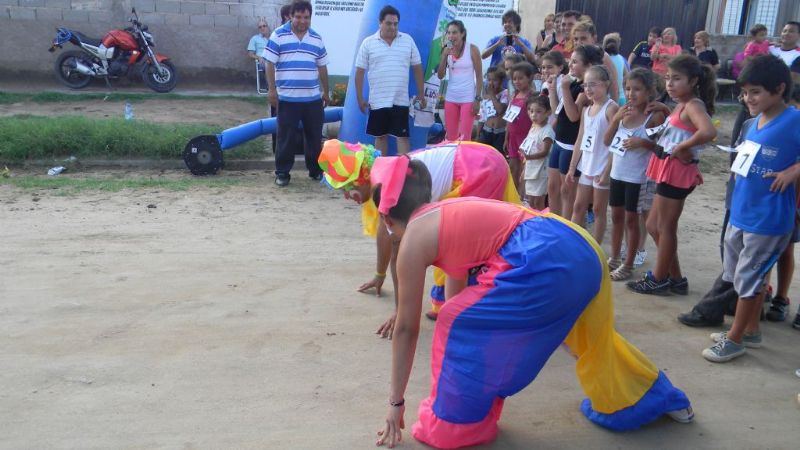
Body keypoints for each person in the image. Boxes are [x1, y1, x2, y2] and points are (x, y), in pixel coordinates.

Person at [370, 161, 693, 449]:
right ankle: (652, 398)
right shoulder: (446, 212)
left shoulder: (413, 238)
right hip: (575, 243)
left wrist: (395, 403)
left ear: (386, 217)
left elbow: (408, 328)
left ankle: (456, 425)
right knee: (588, 336)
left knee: (454, 322)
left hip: (542, 255)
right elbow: (461, 304)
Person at [317, 139, 520, 332]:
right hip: (474, 157)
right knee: (450, 238)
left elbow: (400, 252)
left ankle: (467, 310)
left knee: (462, 243)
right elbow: (384, 233)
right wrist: (379, 275)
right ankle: (454, 303)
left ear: (361, 179)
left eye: (347, 188)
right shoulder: (382, 171)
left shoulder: (386, 188)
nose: (346, 196)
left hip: (478, 169)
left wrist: (401, 312)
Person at [702, 55, 800, 362]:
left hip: (768, 220)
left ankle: (734, 339)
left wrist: (792, 172)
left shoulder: (794, 120)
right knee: (741, 275)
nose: (748, 98)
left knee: (750, 278)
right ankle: (751, 329)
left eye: (755, 92)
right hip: (742, 211)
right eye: (745, 92)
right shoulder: (751, 122)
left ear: (779, 88)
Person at [627, 55, 717, 295]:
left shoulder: (693, 104)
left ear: (694, 80)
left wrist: (684, 147)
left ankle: (659, 278)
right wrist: (668, 111)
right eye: (667, 78)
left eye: (676, 79)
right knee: (653, 225)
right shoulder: (681, 104)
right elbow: (678, 129)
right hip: (667, 168)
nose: (670, 84)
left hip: (677, 172)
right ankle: (675, 277)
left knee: (664, 227)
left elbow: (708, 131)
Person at [604, 68, 665, 280]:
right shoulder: (623, 112)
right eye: (628, 88)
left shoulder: (653, 117)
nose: (631, 94)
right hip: (617, 174)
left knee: (632, 220)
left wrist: (644, 143)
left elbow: (662, 148)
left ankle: (628, 263)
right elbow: (606, 141)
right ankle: (614, 257)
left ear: (649, 92)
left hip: (637, 178)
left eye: (637, 89)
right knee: (616, 216)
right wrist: (615, 120)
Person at [264, 0, 330, 187]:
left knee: (314, 137)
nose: (302, 21)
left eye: (306, 17)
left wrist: (325, 91)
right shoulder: (278, 35)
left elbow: (322, 66)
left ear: (310, 18)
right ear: (290, 16)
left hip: (312, 99)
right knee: (285, 137)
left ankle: (315, 171)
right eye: (298, 16)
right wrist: (271, 90)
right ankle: (283, 173)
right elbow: (269, 63)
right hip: (287, 99)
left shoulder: (316, 38)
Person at [355, 5, 425, 156]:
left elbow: (417, 67)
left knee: (403, 137)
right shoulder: (368, 43)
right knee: (380, 137)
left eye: (395, 23)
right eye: (388, 23)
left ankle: (404, 173)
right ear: (380, 22)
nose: (392, 27)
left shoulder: (407, 40)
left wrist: (421, 93)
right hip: (377, 100)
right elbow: (359, 72)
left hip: (400, 100)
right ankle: (382, 174)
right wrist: (360, 98)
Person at [546, 45, 600, 220]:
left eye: (575, 62)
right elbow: (557, 112)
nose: (570, 64)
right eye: (571, 60)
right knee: (553, 187)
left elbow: (573, 116)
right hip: (559, 141)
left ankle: (566, 227)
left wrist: (565, 89)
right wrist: (553, 90)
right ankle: (554, 223)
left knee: (567, 191)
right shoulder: (572, 83)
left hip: (571, 145)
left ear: (588, 66)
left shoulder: (584, 90)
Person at [567, 65, 618, 244]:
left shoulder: (611, 109)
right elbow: (580, 140)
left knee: (598, 210)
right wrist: (572, 167)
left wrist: (606, 172)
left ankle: (595, 247)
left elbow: (616, 142)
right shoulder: (586, 110)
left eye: (593, 85)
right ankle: (572, 243)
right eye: (586, 85)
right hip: (587, 165)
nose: (588, 89)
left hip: (602, 167)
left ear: (606, 84)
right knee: (579, 206)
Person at [438, 20, 482, 142]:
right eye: (449, 33)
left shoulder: (472, 49)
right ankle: (453, 161)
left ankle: (464, 161)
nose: (451, 36)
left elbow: (479, 76)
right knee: (451, 137)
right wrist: (444, 57)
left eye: (455, 32)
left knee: (464, 137)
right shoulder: (446, 50)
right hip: (451, 97)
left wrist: (478, 99)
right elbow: (440, 76)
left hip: (468, 98)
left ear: (462, 34)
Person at [539, 50, 568, 215]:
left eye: (549, 67)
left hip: (555, 136)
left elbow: (557, 114)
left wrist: (549, 132)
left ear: (560, 68)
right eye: (543, 68)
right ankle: (551, 214)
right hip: (545, 132)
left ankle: (560, 215)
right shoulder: (545, 84)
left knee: (557, 184)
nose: (545, 71)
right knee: (549, 183)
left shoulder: (561, 85)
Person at [505, 62, 536, 196]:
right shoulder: (514, 96)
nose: (517, 81)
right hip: (513, 137)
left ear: (529, 78)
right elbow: (509, 119)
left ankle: (523, 197)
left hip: (526, 137)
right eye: (514, 79)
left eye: (520, 78)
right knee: (513, 167)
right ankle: (513, 195)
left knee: (525, 169)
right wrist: (507, 137)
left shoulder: (533, 95)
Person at [570, 21, 620, 102]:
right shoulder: (576, 55)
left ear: (594, 38)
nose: (578, 42)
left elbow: (613, 84)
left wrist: (614, 106)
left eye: (583, 38)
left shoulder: (602, 56)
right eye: (576, 39)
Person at [521, 95, 554, 210]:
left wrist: (528, 157)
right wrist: (525, 168)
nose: (534, 115)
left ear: (548, 113)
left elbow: (545, 152)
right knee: (531, 201)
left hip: (541, 171)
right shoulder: (534, 127)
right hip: (531, 168)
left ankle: (541, 222)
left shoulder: (547, 131)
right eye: (531, 111)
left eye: (538, 112)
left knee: (539, 201)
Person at [477, 66, 508, 154]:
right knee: (483, 156)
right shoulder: (486, 96)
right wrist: (478, 133)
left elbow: (500, 110)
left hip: (500, 133)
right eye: (489, 80)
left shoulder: (505, 94)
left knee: (497, 156)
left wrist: (492, 94)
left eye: (494, 80)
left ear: (501, 81)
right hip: (486, 131)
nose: (491, 83)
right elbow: (482, 117)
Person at [604, 32, 628, 104]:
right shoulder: (621, 58)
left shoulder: (603, 58)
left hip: (607, 98)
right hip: (622, 98)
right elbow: (627, 76)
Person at [248, 18, 271, 91]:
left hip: (274, 59)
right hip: (262, 61)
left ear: (268, 26)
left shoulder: (274, 37)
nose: (262, 28)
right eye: (260, 27)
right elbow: (250, 54)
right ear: (258, 29)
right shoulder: (255, 38)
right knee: (267, 64)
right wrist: (259, 57)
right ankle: (271, 88)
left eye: (264, 26)